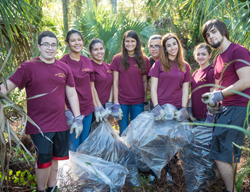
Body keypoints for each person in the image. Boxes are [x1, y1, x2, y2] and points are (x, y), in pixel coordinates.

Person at [0, 31, 83, 192]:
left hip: (60, 123)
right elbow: (7, 87)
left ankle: (52, 188)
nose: (50, 48)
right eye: (46, 44)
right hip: (39, 125)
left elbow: (71, 93)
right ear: (39, 46)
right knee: (43, 158)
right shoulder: (28, 67)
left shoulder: (64, 68)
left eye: (53, 44)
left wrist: (78, 118)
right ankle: (41, 189)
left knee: (55, 158)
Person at [201, 19, 250, 192]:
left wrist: (219, 95)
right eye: (207, 35)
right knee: (225, 153)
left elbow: (245, 81)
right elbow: (219, 85)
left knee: (221, 153)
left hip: (239, 106)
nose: (210, 36)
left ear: (223, 31)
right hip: (225, 108)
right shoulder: (218, 58)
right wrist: (213, 101)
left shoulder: (238, 51)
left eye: (213, 32)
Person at [60, 29, 99, 152]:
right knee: (72, 146)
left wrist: (97, 107)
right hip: (71, 112)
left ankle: (82, 171)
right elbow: (60, 91)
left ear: (82, 41)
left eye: (79, 40)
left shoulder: (87, 61)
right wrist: (67, 112)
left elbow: (92, 86)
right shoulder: (62, 63)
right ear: (67, 43)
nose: (76, 43)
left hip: (87, 110)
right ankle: (71, 171)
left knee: (84, 144)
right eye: (72, 40)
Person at [110, 30, 150, 136]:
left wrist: (145, 101)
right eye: (127, 41)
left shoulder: (144, 60)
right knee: (123, 130)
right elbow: (115, 82)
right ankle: (124, 152)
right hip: (122, 101)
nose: (130, 44)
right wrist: (116, 102)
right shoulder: (117, 59)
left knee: (137, 130)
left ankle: (135, 152)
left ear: (137, 42)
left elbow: (145, 82)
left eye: (132, 41)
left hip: (138, 101)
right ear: (123, 42)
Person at [149, 33, 191, 122]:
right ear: (165, 49)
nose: (172, 48)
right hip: (160, 107)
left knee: (176, 135)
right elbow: (153, 88)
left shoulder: (185, 66)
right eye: (168, 46)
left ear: (178, 45)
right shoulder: (158, 64)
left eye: (174, 44)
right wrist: (156, 108)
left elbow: (185, 91)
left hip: (177, 108)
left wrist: (183, 108)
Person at [88, 38, 113, 122]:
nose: (99, 52)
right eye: (95, 49)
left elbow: (113, 84)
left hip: (107, 107)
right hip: (95, 108)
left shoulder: (108, 66)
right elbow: (92, 88)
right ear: (90, 52)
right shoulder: (89, 66)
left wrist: (109, 104)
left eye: (101, 49)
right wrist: (99, 107)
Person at [188, 43, 215, 121]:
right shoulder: (195, 73)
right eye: (198, 54)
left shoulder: (211, 71)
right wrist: (189, 110)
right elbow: (192, 93)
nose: (200, 57)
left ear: (209, 55)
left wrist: (210, 116)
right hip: (194, 115)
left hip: (206, 116)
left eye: (203, 54)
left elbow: (213, 95)